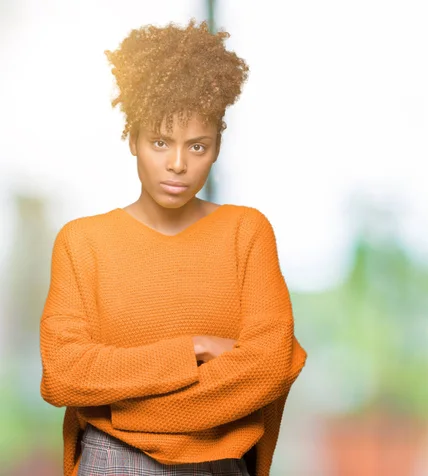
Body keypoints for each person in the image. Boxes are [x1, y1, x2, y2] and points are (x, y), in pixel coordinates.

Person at [38, 19, 307, 476]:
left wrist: (119, 409)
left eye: (197, 146)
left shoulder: (247, 232)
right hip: (114, 461)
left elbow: (271, 364)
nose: (178, 164)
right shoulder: (82, 243)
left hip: (220, 463)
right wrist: (195, 349)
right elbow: (64, 373)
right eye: (160, 142)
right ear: (133, 141)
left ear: (217, 148)